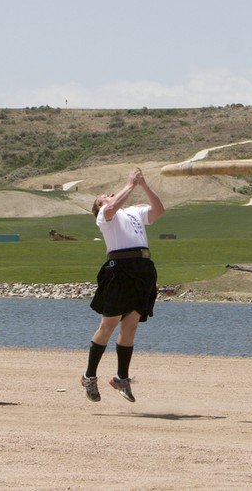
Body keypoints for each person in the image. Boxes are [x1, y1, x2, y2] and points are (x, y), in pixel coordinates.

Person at [81, 167, 165, 402]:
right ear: (99, 206)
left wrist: (144, 185)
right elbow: (112, 206)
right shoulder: (105, 215)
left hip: (143, 268)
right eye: (104, 197)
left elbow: (158, 210)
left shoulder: (133, 212)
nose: (109, 195)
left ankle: (121, 377)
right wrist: (130, 184)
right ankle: (89, 376)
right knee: (108, 324)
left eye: (109, 194)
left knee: (131, 325)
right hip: (120, 268)